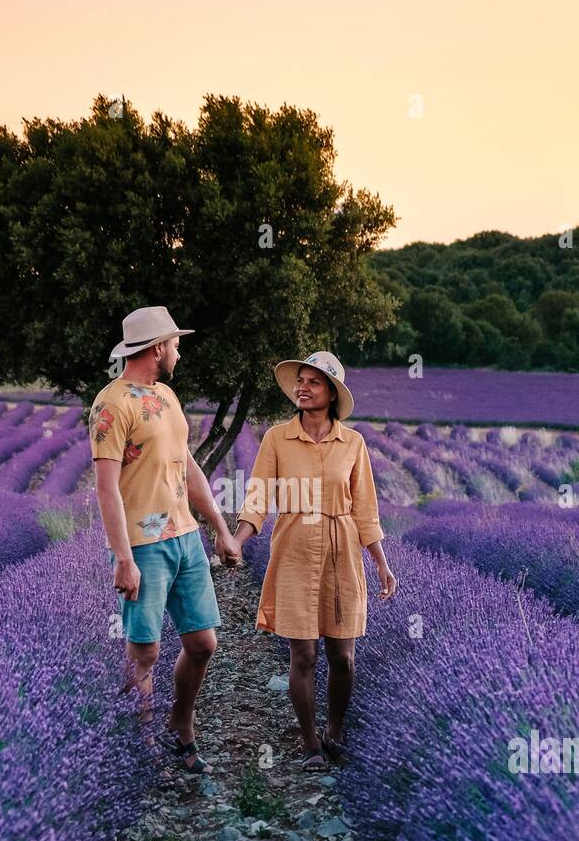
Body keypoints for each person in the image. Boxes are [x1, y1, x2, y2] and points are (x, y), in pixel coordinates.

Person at [90, 305, 241, 774]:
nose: (179, 350)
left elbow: (187, 466)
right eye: (175, 343)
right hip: (143, 544)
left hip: (185, 537)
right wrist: (122, 558)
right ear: (158, 347)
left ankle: (181, 722)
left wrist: (219, 527)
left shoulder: (168, 398)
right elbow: (106, 487)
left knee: (203, 643)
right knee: (145, 650)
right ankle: (143, 744)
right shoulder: (112, 404)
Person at [232, 350, 398, 769]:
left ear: (332, 395)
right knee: (303, 655)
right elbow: (258, 498)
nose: (302, 388)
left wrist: (380, 560)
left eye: (313, 382)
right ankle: (309, 743)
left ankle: (335, 731)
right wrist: (237, 539)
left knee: (342, 655)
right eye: (300, 381)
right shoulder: (276, 438)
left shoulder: (353, 443)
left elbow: (365, 509)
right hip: (293, 550)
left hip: (342, 553)